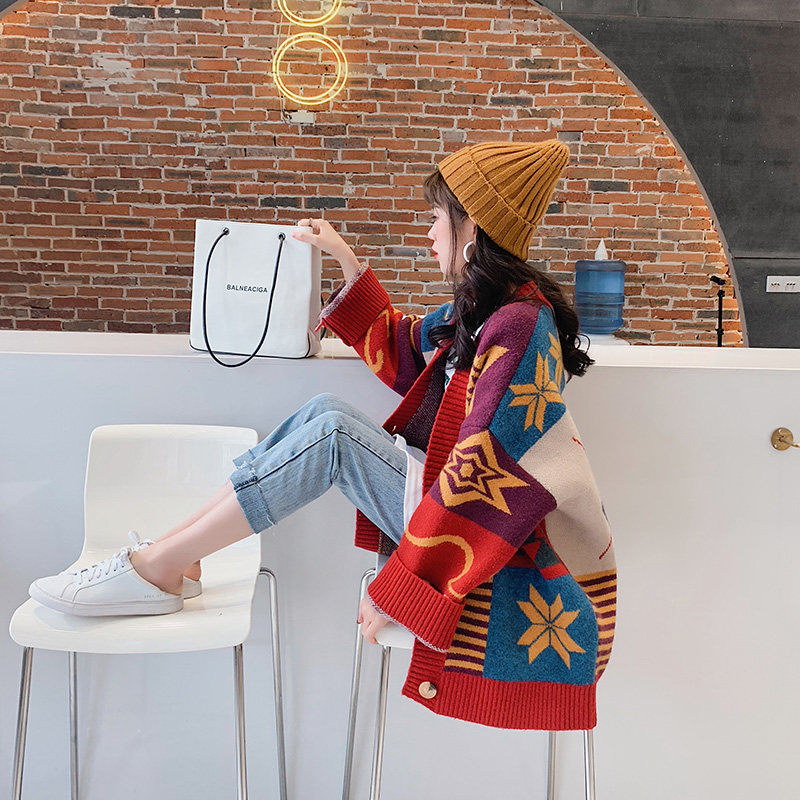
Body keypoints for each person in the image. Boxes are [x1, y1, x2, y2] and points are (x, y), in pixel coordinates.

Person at [29, 139, 617, 730]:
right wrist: (346, 261)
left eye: (438, 216)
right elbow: (409, 353)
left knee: (332, 432)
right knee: (324, 411)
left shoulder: (519, 325)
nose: (430, 233)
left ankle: (157, 564)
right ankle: (168, 556)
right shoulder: (493, 310)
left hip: (498, 542)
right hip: (460, 508)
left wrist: (399, 589)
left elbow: (487, 478)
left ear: (473, 229)